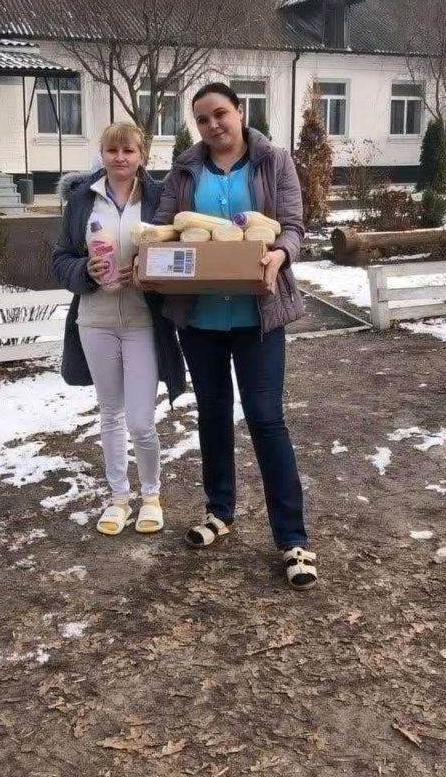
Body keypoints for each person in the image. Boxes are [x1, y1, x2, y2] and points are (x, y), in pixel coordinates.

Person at [154, 82, 317, 589]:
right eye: (202, 119)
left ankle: (292, 538)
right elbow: (164, 227)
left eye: (220, 114)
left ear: (240, 112)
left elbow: (293, 225)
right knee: (213, 415)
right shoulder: (184, 171)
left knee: (268, 420)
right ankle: (219, 510)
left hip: (258, 317)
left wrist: (280, 255)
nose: (212, 126)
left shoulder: (274, 161)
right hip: (200, 319)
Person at [53, 122, 185, 536]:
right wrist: (85, 271)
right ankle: (118, 498)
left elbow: (179, 252)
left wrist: (150, 271)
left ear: (142, 154)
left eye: (129, 150)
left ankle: (151, 495)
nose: (121, 158)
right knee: (110, 413)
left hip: (144, 322)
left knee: (142, 422)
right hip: (96, 320)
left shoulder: (160, 199)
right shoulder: (81, 201)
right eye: (113, 151)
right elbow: (60, 258)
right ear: (102, 154)